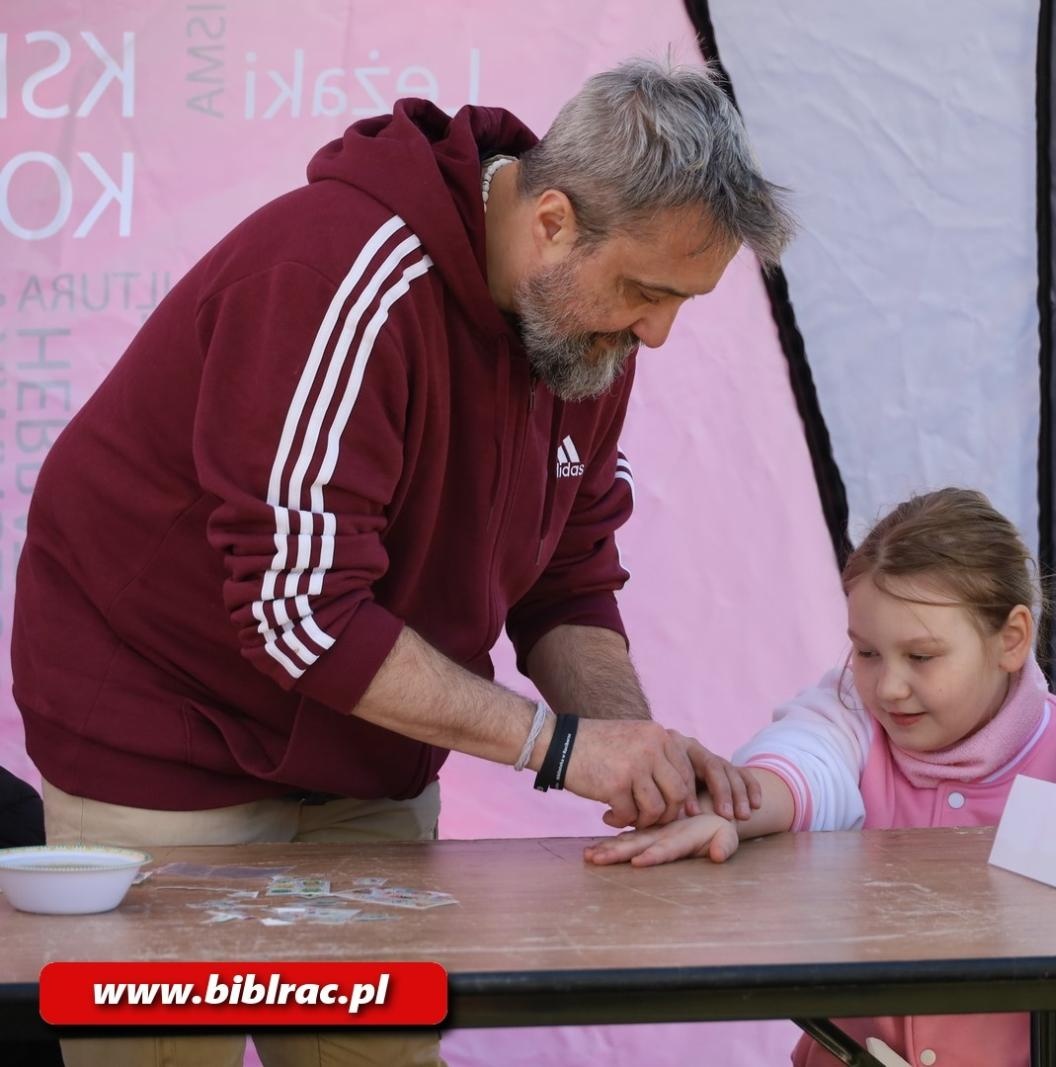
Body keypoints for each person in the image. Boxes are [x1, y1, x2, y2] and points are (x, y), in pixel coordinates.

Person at [11, 57, 788, 1066]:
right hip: (164, 746)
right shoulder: (341, 274)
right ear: (552, 221)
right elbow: (301, 613)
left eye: (683, 299)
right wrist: (559, 747)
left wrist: (633, 751)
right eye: (645, 291)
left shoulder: (588, 339)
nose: (659, 331)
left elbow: (569, 573)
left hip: (367, 761)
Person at [587, 487, 1056, 1067]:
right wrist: (728, 809)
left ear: (1011, 639)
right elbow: (804, 763)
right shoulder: (851, 718)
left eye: (921, 656)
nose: (888, 686)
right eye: (866, 652)